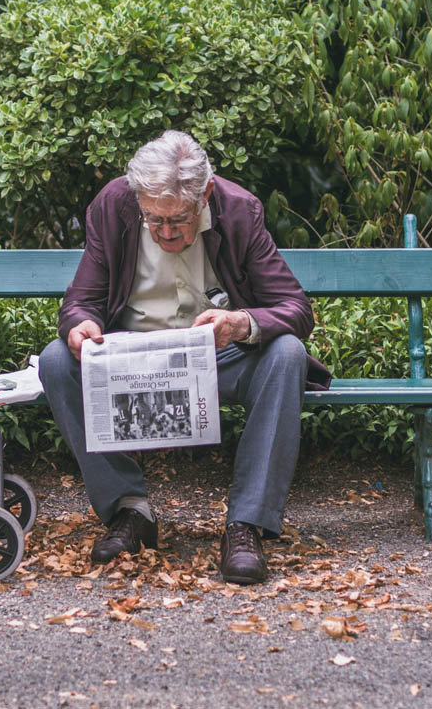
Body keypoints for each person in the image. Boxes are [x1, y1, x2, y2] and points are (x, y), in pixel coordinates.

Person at [38, 131, 331, 584]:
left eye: (179, 219)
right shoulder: (113, 204)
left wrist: (240, 324)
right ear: (139, 200)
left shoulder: (239, 209)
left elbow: (295, 309)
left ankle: (245, 525)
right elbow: (80, 301)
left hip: (217, 358)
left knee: (287, 354)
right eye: (154, 220)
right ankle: (129, 510)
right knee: (57, 360)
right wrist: (80, 326)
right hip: (132, 358)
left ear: (205, 194)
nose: (167, 232)